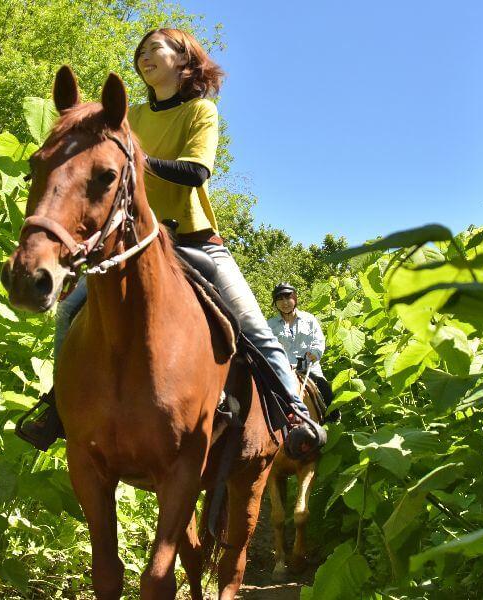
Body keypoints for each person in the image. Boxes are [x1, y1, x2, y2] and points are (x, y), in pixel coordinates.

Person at [19, 29, 325, 453]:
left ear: (184, 60)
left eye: (155, 49)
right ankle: (57, 408)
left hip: (193, 240)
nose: (144, 56)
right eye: (140, 51)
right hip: (134, 245)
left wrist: (136, 158)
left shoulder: (201, 112)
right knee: (70, 308)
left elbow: (196, 172)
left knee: (255, 325)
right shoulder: (130, 117)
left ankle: (295, 414)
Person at [267, 283, 337, 421]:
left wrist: (315, 353)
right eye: (280, 299)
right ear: (275, 303)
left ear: (295, 299)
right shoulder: (270, 325)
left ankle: (333, 422)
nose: (285, 303)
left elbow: (319, 340)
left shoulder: (309, 319)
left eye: (288, 298)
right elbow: (266, 347)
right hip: (283, 371)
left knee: (325, 391)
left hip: (309, 368)